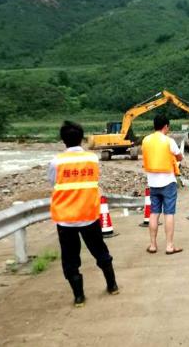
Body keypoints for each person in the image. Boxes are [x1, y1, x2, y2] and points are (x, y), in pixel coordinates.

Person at [48, 121, 119, 307]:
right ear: (81, 138)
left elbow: (52, 182)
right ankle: (112, 285)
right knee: (100, 251)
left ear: (63, 140)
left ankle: (79, 296)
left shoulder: (56, 161)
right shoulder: (92, 159)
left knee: (70, 258)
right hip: (89, 213)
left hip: (66, 219)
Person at [142, 114, 184, 255]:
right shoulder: (168, 141)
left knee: (154, 213)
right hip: (167, 181)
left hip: (152, 182)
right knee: (169, 213)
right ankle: (169, 246)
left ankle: (153, 245)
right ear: (165, 126)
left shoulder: (146, 140)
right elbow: (179, 157)